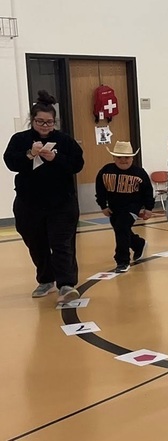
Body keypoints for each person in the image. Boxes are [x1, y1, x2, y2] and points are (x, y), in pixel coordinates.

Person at [4, 90, 85, 304]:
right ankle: (46, 279)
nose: (44, 126)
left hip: (62, 203)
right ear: (32, 120)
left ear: (55, 122)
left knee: (61, 243)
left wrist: (55, 158)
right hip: (29, 203)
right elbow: (11, 163)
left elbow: (77, 164)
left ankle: (66, 284)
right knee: (36, 243)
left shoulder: (64, 141)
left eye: (49, 122)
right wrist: (30, 154)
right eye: (40, 121)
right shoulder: (20, 139)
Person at [95, 141, 154, 273]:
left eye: (127, 157)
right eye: (119, 157)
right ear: (113, 158)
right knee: (121, 230)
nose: (123, 160)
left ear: (132, 158)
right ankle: (139, 244)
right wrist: (103, 205)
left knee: (122, 228)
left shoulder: (139, 173)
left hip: (132, 207)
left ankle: (122, 260)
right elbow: (100, 189)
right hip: (114, 208)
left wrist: (149, 208)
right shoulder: (105, 171)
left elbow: (148, 191)